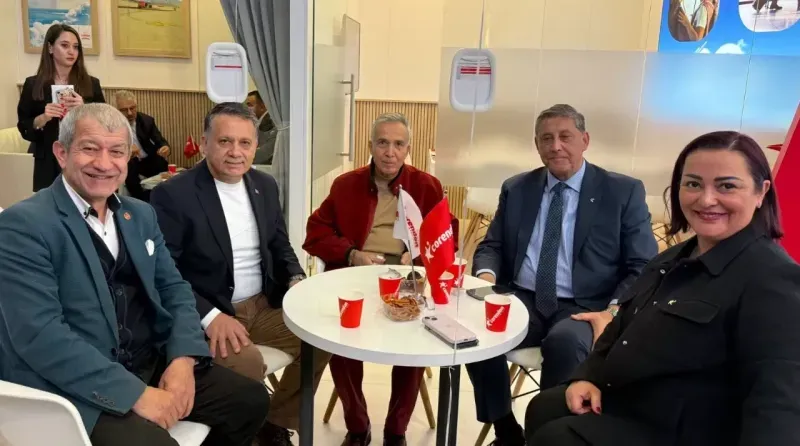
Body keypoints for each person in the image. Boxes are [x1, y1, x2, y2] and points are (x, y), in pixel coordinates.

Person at [0, 103, 269, 446]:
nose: (104, 163)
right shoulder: (23, 225)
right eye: (89, 149)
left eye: (116, 151)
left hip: (146, 361)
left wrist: (183, 359)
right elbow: (40, 336)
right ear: (61, 153)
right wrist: (135, 394)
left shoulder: (139, 214)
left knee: (249, 402)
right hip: (73, 383)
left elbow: (174, 289)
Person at [525, 131, 800, 446]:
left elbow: (780, 403)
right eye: (693, 184)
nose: (706, 199)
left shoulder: (773, 279)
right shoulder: (674, 257)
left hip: (681, 431)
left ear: (761, 192)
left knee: (556, 439)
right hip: (631, 402)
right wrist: (587, 375)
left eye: (727, 186)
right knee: (545, 406)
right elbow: (621, 327)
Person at [467, 104, 657, 446]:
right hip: (523, 297)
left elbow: (643, 265)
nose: (556, 146)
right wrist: (485, 278)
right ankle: (506, 430)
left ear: (585, 140)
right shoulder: (517, 188)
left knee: (564, 343)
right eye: (546, 138)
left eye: (565, 137)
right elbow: (492, 245)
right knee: (475, 333)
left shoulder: (622, 192)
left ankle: (549, 436)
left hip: (586, 305)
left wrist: (613, 311)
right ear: (536, 145)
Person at [150, 102, 328, 445]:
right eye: (225, 141)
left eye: (245, 143)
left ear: (255, 146)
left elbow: (279, 244)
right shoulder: (172, 194)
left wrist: (295, 280)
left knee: (322, 336)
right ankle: (249, 431)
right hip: (212, 312)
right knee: (247, 365)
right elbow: (163, 272)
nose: (236, 152)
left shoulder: (265, 185)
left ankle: (275, 422)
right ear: (205, 143)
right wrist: (210, 316)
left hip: (263, 305)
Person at [303, 112, 457, 446]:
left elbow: (447, 234)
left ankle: (395, 431)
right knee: (341, 345)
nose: (390, 152)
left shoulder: (427, 186)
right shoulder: (346, 185)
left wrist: (420, 255)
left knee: (415, 345)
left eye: (398, 144)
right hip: (355, 273)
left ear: (408, 149)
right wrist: (351, 254)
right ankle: (358, 427)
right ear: (370, 145)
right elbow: (315, 233)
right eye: (383, 143)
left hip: (407, 278)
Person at [17, 24, 105, 193]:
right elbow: (24, 126)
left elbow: (104, 123)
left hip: (83, 156)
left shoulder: (91, 84)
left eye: (76, 47)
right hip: (47, 159)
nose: (71, 52)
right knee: (49, 205)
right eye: (65, 45)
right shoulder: (33, 84)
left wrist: (85, 109)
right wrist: (43, 118)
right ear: (50, 48)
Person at [115, 90, 170, 202]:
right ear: (117, 110)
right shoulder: (112, 124)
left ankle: (162, 198)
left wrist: (165, 148)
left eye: (132, 108)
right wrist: (127, 150)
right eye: (124, 110)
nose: (129, 113)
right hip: (129, 161)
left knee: (161, 163)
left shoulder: (147, 120)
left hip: (147, 158)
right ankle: (140, 202)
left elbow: (160, 141)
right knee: (130, 169)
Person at [245, 90, 277, 165]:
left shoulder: (271, 122)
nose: (247, 109)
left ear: (262, 106)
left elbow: (264, 154)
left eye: (250, 105)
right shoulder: (259, 122)